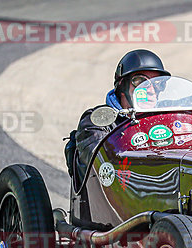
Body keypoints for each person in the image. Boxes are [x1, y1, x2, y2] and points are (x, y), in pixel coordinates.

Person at [65, 49, 170, 181]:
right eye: (140, 81)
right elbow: (100, 162)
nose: (150, 90)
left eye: (158, 83)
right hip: (118, 193)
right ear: (122, 85)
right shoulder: (98, 120)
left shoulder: (169, 117)